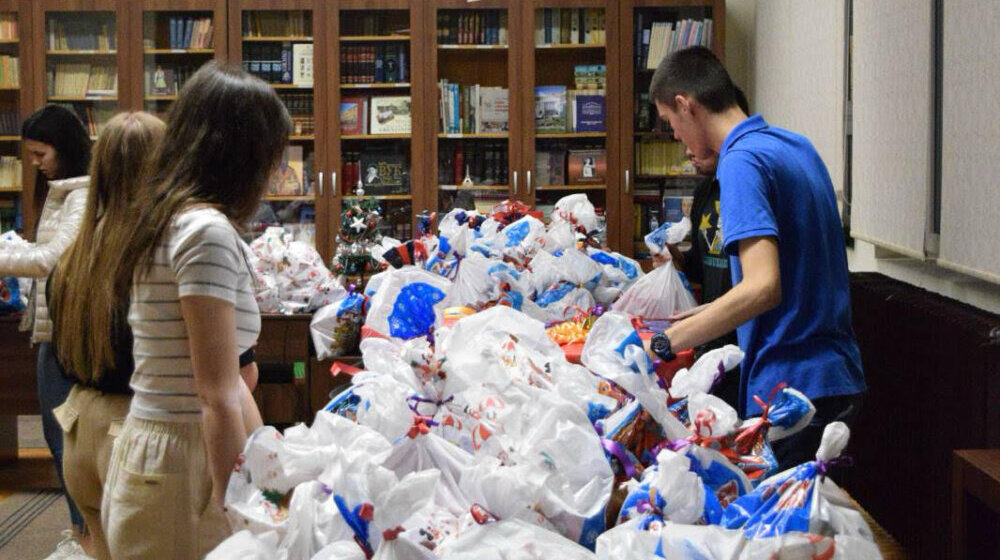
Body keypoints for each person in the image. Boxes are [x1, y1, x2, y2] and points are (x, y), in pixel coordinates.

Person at [643, 46, 865, 469]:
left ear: (685, 105)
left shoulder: (740, 161)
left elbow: (764, 287)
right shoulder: (794, 146)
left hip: (792, 387)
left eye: (671, 124)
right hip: (836, 376)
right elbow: (800, 270)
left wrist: (665, 344)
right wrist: (706, 312)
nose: (675, 137)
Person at [102, 61, 290, 559]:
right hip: (188, 461)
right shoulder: (205, 231)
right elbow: (217, 393)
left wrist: (269, 468)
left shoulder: (170, 216)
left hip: (170, 451)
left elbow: (229, 382)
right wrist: (244, 509)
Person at [46, 112, 166, 560]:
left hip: (79, 429)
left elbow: (62, 355)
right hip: (139, 431)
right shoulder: (158, 259)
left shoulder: (73, 259)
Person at [0, 104, 91, 553]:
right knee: (60, 438)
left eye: (40, 153)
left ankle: (84, 537)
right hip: (51, 331)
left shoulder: (82, 194)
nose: (35, 163)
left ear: (66, 148)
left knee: (69, 442)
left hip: (69, 335)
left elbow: (50, 260)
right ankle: (81, 532)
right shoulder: (62, 191)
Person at [660, 87, 751, 410]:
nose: (687, 151)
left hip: (743, 339)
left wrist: (664, 343)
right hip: (711, 335)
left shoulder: (744, 179)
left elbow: (762, 286)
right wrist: (673, 255)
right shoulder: (704, 194)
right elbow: (699, 268)